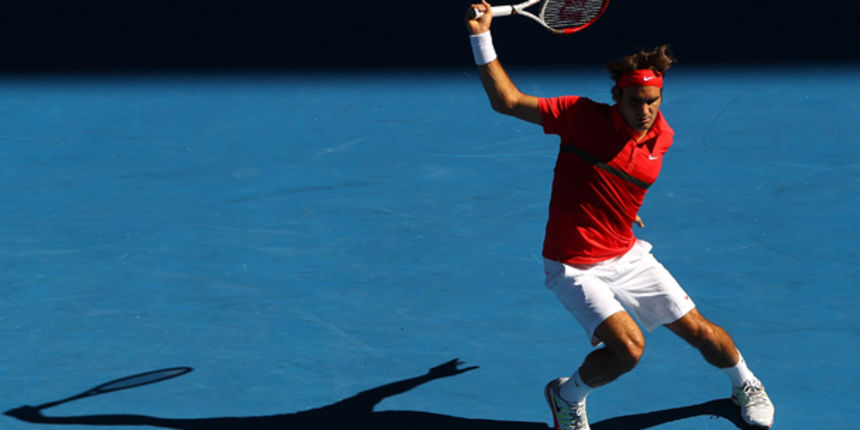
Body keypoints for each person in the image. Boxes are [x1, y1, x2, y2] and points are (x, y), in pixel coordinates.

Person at [464, 1, 775, 429]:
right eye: (635, 101)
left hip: (627, 254)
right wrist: (481, 35)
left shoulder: (662, 135)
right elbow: (507, 101)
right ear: (616, 97)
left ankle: (747, 383)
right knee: (628, 349)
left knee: (701, 331)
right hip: (573, 265)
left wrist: (625, 209)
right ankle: (566, 397)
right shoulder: (578, 116)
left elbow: (626, 177)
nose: (644, 111)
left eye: (652, 101)